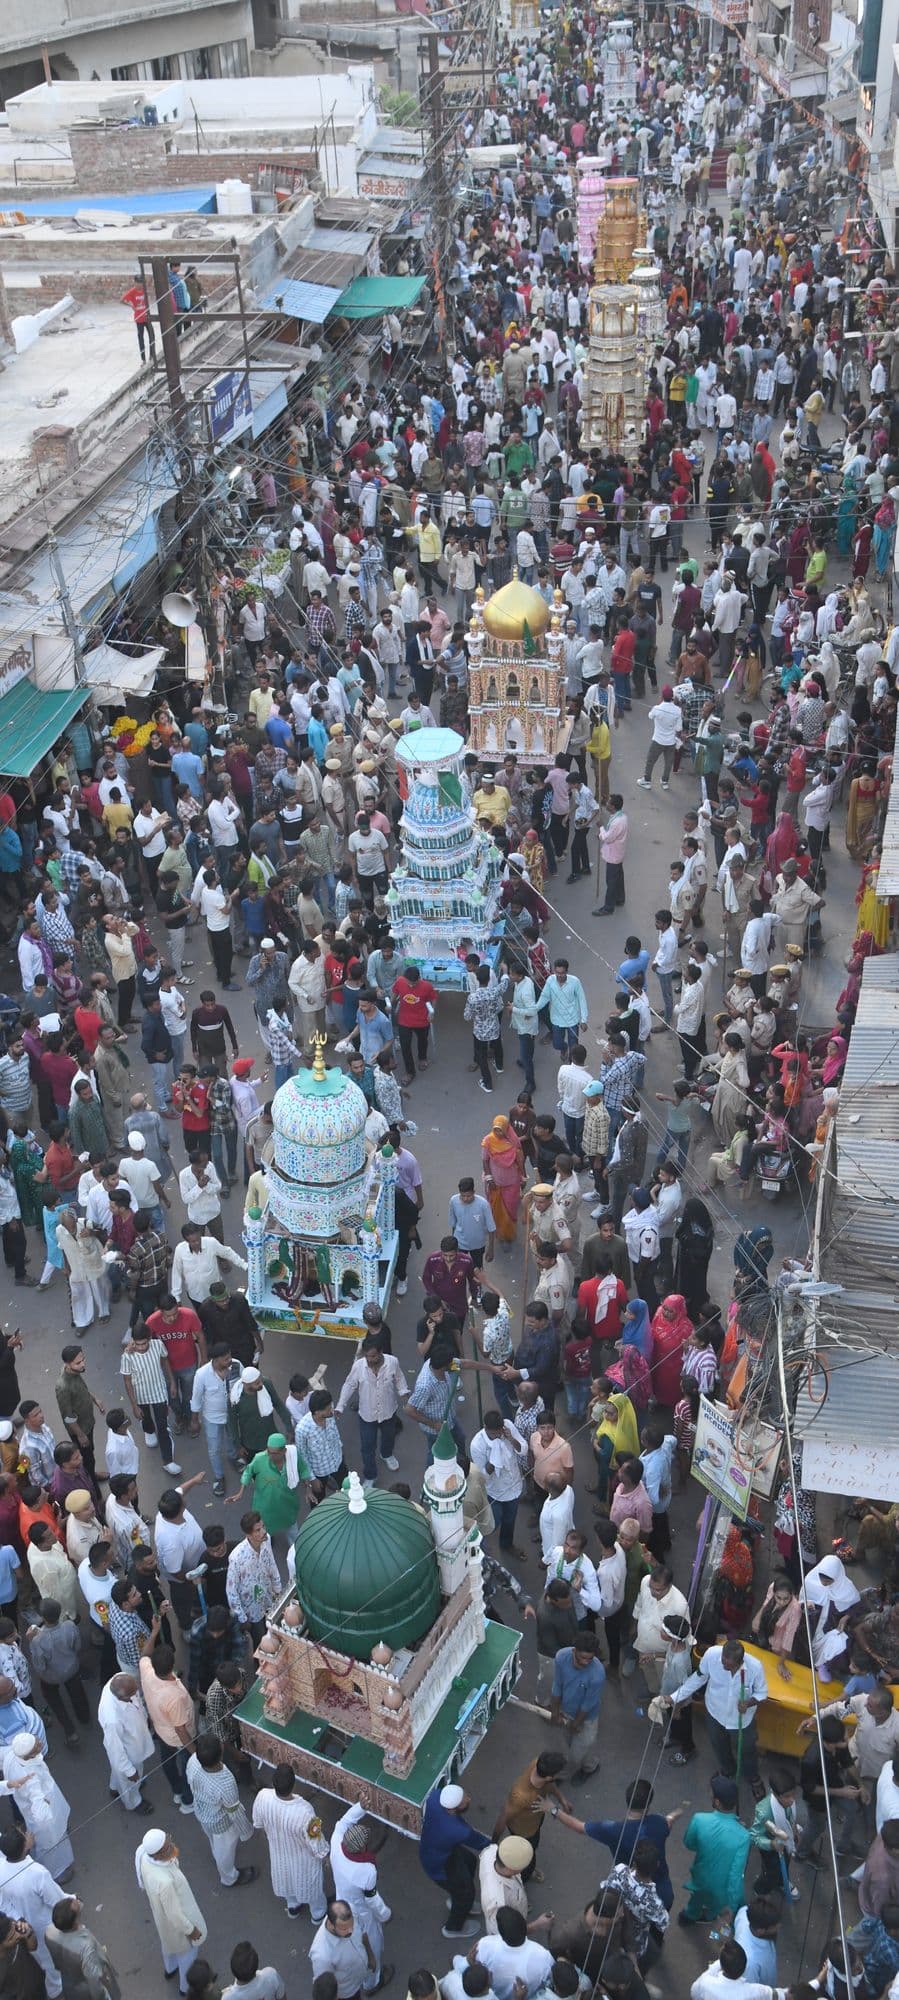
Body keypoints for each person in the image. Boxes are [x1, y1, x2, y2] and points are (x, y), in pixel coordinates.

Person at [665, 1639, 767, 1791]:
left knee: (747, 1750)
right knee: (719, 1746)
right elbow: (698, 1678)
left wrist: (748, 1703)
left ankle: (752, 1776)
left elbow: (762, 1693)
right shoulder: (712, 1655)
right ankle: (728, 1770)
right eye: (723, 1661)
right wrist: (674, 1697)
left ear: (739, 1662)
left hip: (741, 1721)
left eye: (729, 1665)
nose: (724, 1666)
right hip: (715, 1713)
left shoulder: (755, 1667)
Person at [134, 1829, 207, 1995]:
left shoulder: (144, 1854)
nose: (172, 1845)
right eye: (168, 1846)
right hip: (177, 1923)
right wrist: (192, 1930)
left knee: (167, 1944)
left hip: (161, 1918)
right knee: (187, 1954)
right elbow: (175, 1914)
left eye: (169, 1839)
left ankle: (170, 1969)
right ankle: (185, 1988)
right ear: (159, 1853)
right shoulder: (164, 1882)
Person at [252, 1766, 329, 1920]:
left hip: (279, 1855)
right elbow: (317, 1842)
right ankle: (318, 1914)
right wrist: (325, 1857)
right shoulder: (306, 1811)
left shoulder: (262, 1797)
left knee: (286, 1882)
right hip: (304, 1862)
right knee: (312, 1890)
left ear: (273, 1783)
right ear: (293, 1785)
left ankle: (293, 1908)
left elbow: (258, 1824)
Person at [184, 1733, 256, 1889]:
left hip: (202, 1813)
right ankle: (229, 1877)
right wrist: (245, 1830)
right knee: (226, 1850)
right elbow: (233, 1810)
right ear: (221, 1751)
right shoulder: (225, 1781)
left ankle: (218, 1857)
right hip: (221, 1821)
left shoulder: (193, 1762)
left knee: (214, 1842)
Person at [419, 1784, 490, 1940]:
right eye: (465, 1801)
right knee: (466, 1893)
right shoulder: (459, 1831)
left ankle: (458, 1899)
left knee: (470, 1861)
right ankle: (453, 1927)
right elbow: (481, 1842)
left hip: (436, 1848)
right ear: (452, 1810)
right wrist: (497, 1847)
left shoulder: (435, 1797)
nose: (468, 1799)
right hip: (439, 1865)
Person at [680, 1775, 752, 1925]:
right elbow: (735, 1875)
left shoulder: (699, 1819)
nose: (709, 1795)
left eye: (711, 1794)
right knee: (717, 1910)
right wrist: (733, 1905)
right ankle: (710, 1916)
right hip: (721, 1889)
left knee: (697, 1898)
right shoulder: (744, 1836)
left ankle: (689, 1915)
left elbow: (689, 1844)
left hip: (699, 1878)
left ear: (717, 1802)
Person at [549, 1633, 605, 1782]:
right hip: (565, 1710)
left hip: (586, 1718)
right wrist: (555, 1711)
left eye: (590, 1659)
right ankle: (588, 1763)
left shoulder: (597, 1673)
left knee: (577, 1752)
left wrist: (576, 1723)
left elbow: (588, 1703)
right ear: (574, 1651)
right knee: (570, 1742)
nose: (586, 1663)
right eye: (582, 1658)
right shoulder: (561, 1657)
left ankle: (587, 1769)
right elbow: (557, 1685)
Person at [97, 1672, 154, 1813]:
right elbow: (116, 1750)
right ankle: (133, 1802)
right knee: (128, 1780)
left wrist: (145, 1716)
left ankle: (114, 1788)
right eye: (132, 1694)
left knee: (120, 1773)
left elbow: (137, 1701)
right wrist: (130, 1771)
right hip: (128, 1751)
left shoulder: (121, 1679)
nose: (136, 1694)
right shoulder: (112, 1718)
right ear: (122, 1697)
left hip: (134, 1739)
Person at [44, 1896, 121, 2000]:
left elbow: (57, 1963)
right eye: (77, 1905)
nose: (78, 1902)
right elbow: (95, 1983)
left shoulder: (49, 1932)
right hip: (86, 1991)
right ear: (75, 1921)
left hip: (68, 1983)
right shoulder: (86, 1947)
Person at [309, 1902, 378, 2000]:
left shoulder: (351, 1911)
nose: (351, 1931)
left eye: (352, 1925)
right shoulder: (321, 1955)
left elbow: (363, 1932)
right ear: (331, 1925)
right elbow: (324, 1988)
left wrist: (370, 1956)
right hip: (347, 1994)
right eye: (344, 1928)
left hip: (360, 1978)